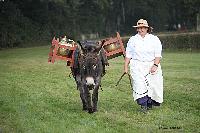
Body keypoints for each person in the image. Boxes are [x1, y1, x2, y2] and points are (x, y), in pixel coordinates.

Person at [124, 19, 163, 113]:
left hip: (151, 64)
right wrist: (125, 67)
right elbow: (128, 55)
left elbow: (158, 54)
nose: (141, 29)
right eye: (139, 28)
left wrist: (155, 65)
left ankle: (149, 103)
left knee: (152, 86)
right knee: (139, 85)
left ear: (147, 28)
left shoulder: (154, 39)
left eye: (143, 28)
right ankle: (143, 106)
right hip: (136, 65)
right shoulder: (132, 40)